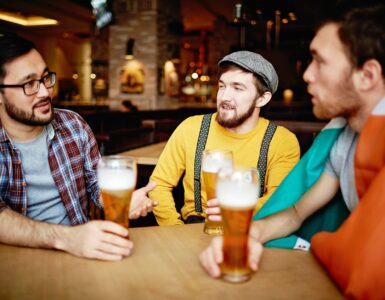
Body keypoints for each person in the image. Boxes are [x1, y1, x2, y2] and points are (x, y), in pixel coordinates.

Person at [200, 2, 385, 298]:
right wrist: (251, 235)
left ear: (368, 75)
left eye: (319, 62)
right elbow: (297, 212)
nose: (307, 75)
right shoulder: (345, 139)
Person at [0, 33, 157, 261]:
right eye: (29, 84)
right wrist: (67, 238)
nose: (45, 92)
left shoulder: (73, 125)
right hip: (15, 264)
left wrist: (122, 201)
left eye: (45, 78)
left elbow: (95, 184)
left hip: (83, 252)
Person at [149, 51, 300, 225]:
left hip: (250, 230)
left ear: (262, 99)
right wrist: (175, 229)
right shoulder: (191, 128)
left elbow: (279, 200)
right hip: (195, 226)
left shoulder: (281, 141)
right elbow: (158, 185)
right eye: (222, 86)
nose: (224, 97)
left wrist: (237, 210)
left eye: (237, 88)